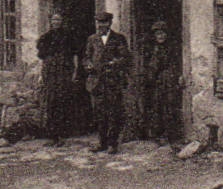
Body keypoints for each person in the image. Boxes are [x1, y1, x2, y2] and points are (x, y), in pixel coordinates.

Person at [81, 11, 131, 154]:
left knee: (113, 112)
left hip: (112, 80)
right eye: (99, 22)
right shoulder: (92, 39)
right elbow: (86, 57)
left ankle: (112, 143)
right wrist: (88, 65)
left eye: (104, 22)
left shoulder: (119, 38)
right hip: (96, 81)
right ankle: (102, 142)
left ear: (109, 23)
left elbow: (125, 57)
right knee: (99, 113)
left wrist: (115, 62)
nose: (101, 25)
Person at [140, 19, 184, 147]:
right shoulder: (150, 49)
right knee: (156, 107)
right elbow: (149, 66)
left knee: (170, 107)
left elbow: (177, 63)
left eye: (163, 33)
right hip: (155, 82)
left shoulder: (172, 48)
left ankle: (172, 136)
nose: (161, 36)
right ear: (154, 35)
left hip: (169, 80)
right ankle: (157, 135)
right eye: (158, 34)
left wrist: (179, 75)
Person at [36, 11, 77, 145]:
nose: (56, 22)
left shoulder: (68, 37)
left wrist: (74, 71)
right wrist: (41, 75)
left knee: (62, 101)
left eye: (58, 19)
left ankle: (62, 135)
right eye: (54, 20)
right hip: (50, 73)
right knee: (50, 102)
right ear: (50, 21)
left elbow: (74, 55)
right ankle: (52, 135)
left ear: (62, 21)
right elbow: (42, 58)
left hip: (63, 72)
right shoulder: (45, 38)